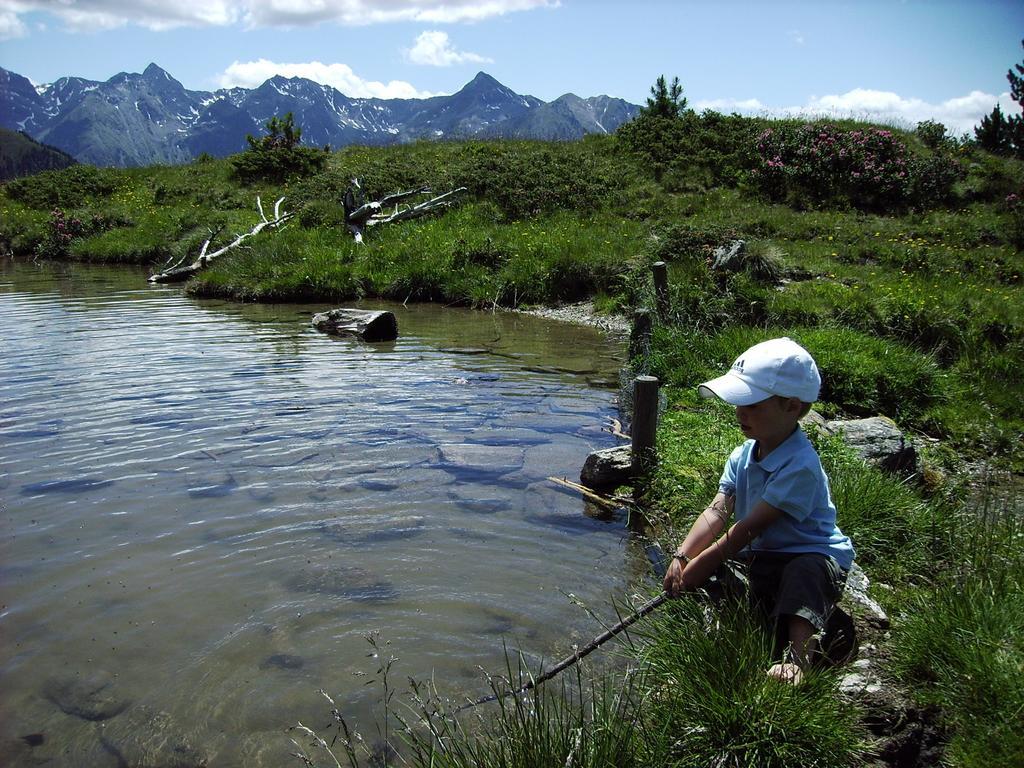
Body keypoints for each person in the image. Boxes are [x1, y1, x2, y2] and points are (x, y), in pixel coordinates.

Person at [662, 337, 855, 684]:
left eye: (752, 404)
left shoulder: (800, 465)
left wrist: (702, 564)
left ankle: (798, 660)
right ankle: (753, 618)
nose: (740, 412)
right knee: (728, 579)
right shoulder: (743, 455)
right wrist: (683, 555)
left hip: (807, 552)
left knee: (805, 574)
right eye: (739, 404)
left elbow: (748, 528)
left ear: (792, 407)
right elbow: (718, 509)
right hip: (763, 555)